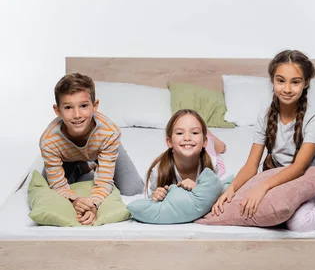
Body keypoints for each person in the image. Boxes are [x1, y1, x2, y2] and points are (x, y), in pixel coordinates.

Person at [212, 50, 315, 232]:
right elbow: (251, 165)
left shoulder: (314, 121)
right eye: (281, 80)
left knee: (298, 224)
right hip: (277, 178)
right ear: (272, 81)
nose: (287, 89)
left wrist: (262, 187)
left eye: (295, 82)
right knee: (236, 202)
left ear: (306, 83)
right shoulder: (265, 116)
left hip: (306, 181)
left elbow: (299, 168)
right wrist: (231, 189)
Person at [40, 73, 143, 225]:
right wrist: (74, 201)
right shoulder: (49, 141)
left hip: (101, 147)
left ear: (94, 106)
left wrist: (94, 204)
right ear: (57, 110)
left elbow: (103, 182)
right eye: (68, 107)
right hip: (66, 156)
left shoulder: (110, 132)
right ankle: (81, 167)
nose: (77, 115)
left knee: (133, 188)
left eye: (83, 106)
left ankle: (96, 163)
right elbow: (58, 185)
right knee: (47, 189)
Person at [146, 109, 226, 201]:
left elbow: (215, 193)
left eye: (194, 132)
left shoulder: (212, 164)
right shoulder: (158, 172)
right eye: (180, 133)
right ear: (169, 142)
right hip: (196, 146)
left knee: (220, 147)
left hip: (206, 149)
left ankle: (211, 138)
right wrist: (155, 196)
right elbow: (151, 200)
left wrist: (198, 190)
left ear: (204, 141)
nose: (187, 138)